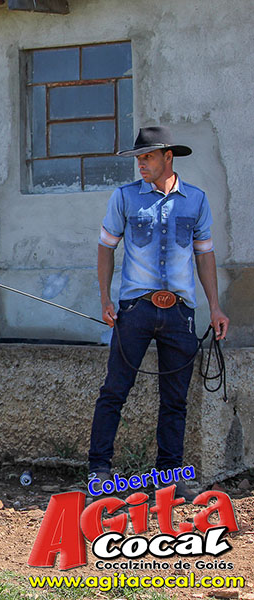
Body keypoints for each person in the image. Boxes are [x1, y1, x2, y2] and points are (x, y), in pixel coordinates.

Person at [88, 126, 229, 500]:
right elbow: (106, 247)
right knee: (115, 390)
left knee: (176, 399)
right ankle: (99, 471)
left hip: (180, 313)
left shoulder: (196, 200)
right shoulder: (125, 198)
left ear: (169, 157)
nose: (141, 164)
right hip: (135, 309)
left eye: (147, 157)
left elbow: (205, 254)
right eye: (138, 158)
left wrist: (215, 307)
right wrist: (105, 298)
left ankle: (168, 478)